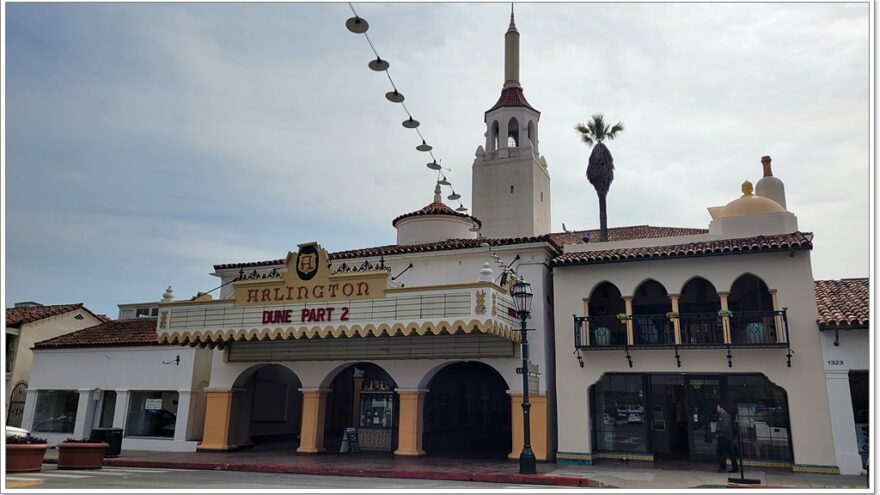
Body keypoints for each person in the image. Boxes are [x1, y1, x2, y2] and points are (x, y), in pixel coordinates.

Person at [716, 403, 739, 472]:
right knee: (730, 453)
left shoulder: (724, 416)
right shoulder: (724, 416)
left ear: (722, 408)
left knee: (721, 452)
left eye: (718, 407)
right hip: (727, 437)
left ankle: (723, 467)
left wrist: (719, 432)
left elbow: (725, 427)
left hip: (724, 438)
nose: (717, 409)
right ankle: (735, 467)